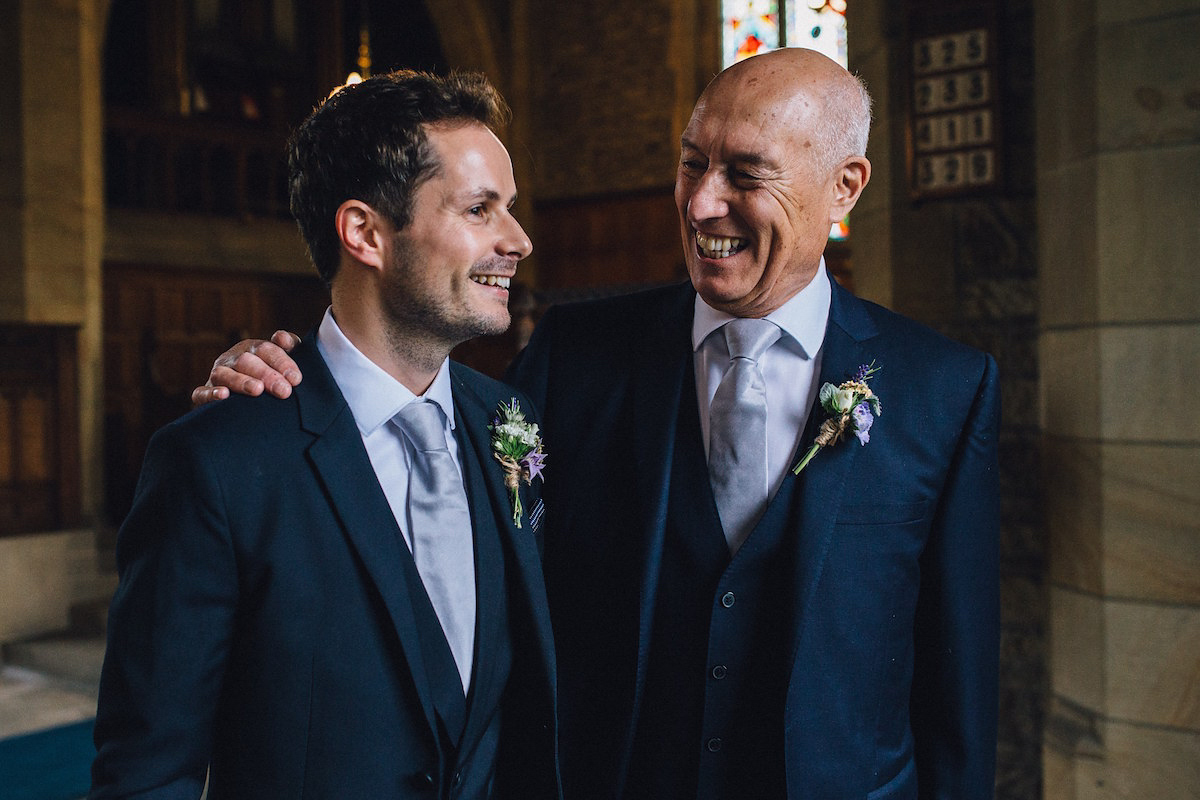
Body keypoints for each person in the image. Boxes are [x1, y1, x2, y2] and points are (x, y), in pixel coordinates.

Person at [196, 48, 1000, 799]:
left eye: (746, 174)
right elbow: (425, 471)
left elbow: (956, 687)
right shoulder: (575, 359)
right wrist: (290, 377)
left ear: (846, 186)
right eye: (691, 164)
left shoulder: (944, 391)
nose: (702, 201)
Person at [92, 70, 560, 799]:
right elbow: (147, 775)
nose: (519, 240)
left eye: (512, 210)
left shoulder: (512, 423)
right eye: (480, 209)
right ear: (365, 233)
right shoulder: (216, 462)